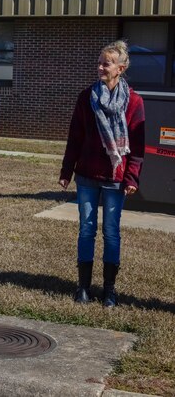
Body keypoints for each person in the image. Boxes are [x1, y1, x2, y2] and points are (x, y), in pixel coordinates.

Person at [59, 40, 144, 308]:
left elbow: (138, 147)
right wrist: (66, 171)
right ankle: (83, 287)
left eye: (106, 63)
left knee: (111, 232)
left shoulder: (134, 102)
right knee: (86, 230)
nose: (100, 67)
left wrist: (131, 177)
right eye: (99, 62)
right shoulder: (86, 97)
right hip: (86, 175)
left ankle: (109, 289)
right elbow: (75, 137)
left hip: (116, 179)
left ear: (120, 68)